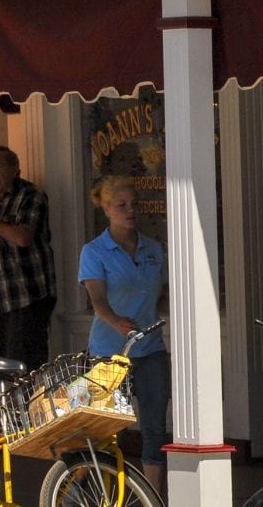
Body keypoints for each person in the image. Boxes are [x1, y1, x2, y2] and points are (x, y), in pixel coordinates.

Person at [79, 175, 168, 497]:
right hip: (109, 350)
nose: (131, 210)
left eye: (134, 204)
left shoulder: (153, 249)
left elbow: (162, 297)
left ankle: (152, 497)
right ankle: (75, 485)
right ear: (105, 208)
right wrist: (116, 321)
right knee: (101, 425)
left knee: (155, 426)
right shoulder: (94, 251)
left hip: (151, 348)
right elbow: (97, 300)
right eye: (121, 205)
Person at [0, 145, 55, 381]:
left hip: (28, 296)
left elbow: (23, 238)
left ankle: (25, 405)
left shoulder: (30, 196)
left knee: (23, 365)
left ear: (15, 169)